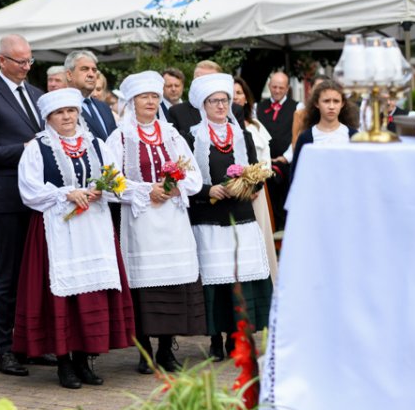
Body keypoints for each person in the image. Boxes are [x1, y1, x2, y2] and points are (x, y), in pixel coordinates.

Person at [14, 88, 135, 388]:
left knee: (91, 292)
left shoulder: (95, 144)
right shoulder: (38, 147)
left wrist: (102, 189)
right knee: (64, 295)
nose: (67, 117)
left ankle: (85, 359)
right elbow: (29, 190)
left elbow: (116, 178)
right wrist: (66, 193)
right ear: (48, 117)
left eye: (71, 111)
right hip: (56, 230)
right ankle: (64, 363)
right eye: (59, 113)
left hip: (94, 228)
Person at [106, 71, 206, 374]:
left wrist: (177, 186)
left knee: (173, 284)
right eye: (144, 97)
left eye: (154, 96)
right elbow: (110, 181)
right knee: (143, 287)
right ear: (132, 102)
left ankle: (166, 349)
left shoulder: (172, 134)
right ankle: (144, 351)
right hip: (141, 221)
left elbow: (195, 175)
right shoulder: (120, 136)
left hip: (172, 220)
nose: (150, 102)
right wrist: (144, 189)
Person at [185, 74, 272, 361]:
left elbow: (257, 175)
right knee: (215, 281)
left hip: (240, 215)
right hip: (208, 216)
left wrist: (249, 184)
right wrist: (211, 189)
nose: (221, 106)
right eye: (214, 101)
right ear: (204, 105)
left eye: (225, 100)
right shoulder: (191, 136)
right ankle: (215, 338)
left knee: (240, 279)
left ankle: (239, 337)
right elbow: (186, 178)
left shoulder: (242, 134)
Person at [0, 33, 44, 377]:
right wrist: (25, 148)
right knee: (8, 277)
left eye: (30, 60)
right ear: (2, 61)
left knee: (37, 275)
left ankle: (32, 343)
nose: (27, 67)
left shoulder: (36, 94)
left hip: (40, 198)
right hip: (7, 200)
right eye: (20, 61)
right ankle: (4, 350)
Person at [231, 78, 278, 283]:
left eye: (239, 93)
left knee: (262, 237)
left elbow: (265, 158)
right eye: (231, 93)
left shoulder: (256, 125)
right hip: (235, 191)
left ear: (246, 97)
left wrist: (258, 182)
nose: (235, 97)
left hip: (258, 191)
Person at [292, 80, 358, 177]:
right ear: (317, 103)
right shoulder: (306, 137)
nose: (331, 106)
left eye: (336, 101)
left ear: (342, 104)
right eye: (326, 101)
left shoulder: (353, 135)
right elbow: (297, 174)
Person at [257, 71, 297, 229]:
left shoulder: (297, 107)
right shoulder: (257, 107)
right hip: (264, 163)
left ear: (287, 88)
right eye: (274, 87)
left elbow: (297, 136)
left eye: (281, 87)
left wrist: (286, 157)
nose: (277, 91)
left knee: (284, 199)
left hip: (286, 163)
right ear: (269, 86)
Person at [65, 50, 116, 141]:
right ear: (69, 75)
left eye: (94, 70)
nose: (91, 74)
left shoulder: (104, 107)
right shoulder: (61, 108)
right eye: (84, 69)